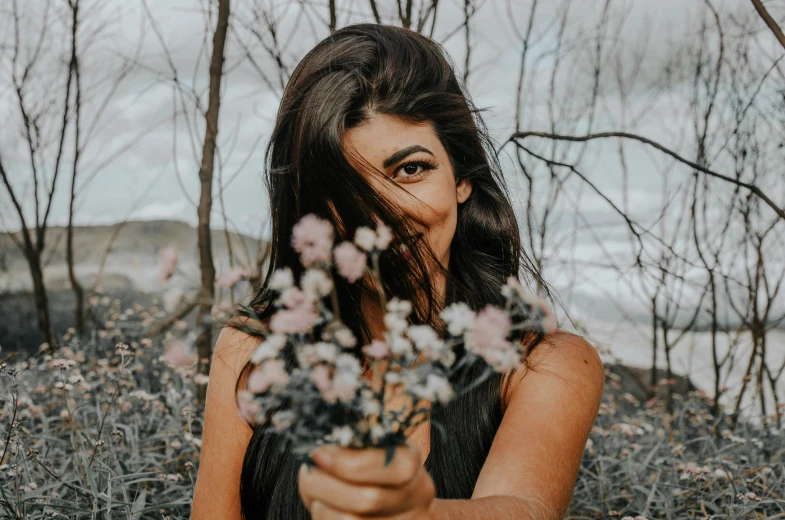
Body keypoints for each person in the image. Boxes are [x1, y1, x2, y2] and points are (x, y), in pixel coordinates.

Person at [192, 23, 604, 520]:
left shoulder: (545, 364)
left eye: (411, 169)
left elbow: (523, 507)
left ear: (463, 178)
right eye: (347, 191)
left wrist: (411, 513)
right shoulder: (254, 350)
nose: (387, 217)